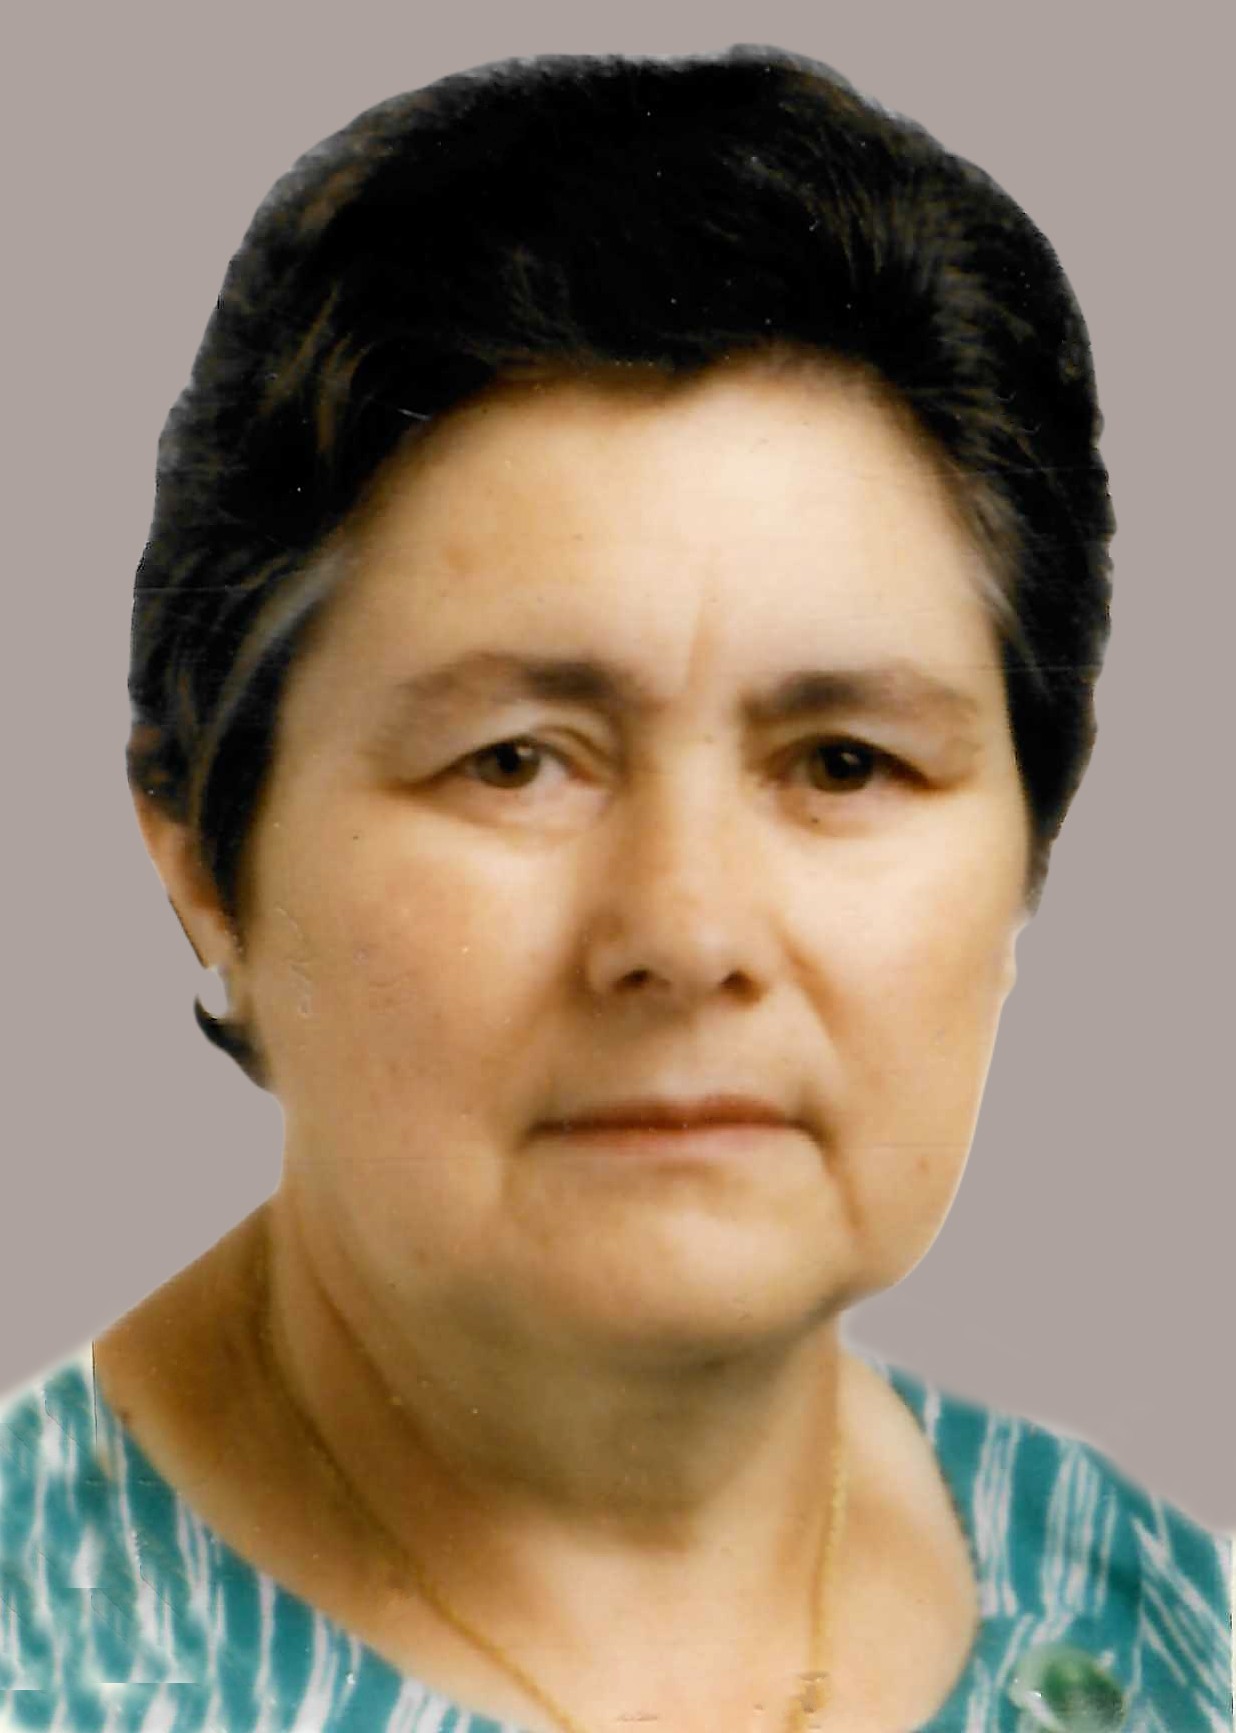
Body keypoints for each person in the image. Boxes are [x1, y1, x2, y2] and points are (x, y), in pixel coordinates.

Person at [0, 44, 1230, 1733]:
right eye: (515, 759)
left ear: (1032, 841)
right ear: (204, 856)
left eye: (845, 762)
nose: (690, 933)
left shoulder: (1162, 1630)